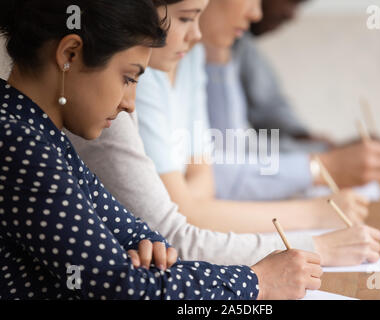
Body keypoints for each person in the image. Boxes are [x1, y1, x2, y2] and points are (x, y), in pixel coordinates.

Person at [0, 0, 323, 300]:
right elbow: (119, 287)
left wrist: (151, 250)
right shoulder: (18, 143)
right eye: (128, 78)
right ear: (70, 54)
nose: (129, 104)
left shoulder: (43, 136)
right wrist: (257, 282)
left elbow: (144, 236)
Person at [67, 0, 380, 268]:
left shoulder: (186, 60)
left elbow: (214, 175)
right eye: (188, 17)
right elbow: (178, 226)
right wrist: (316, 239)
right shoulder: (129, 88)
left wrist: (193, 202)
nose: (257, 12)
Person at [206, 0, 380, 201]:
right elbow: (225, 162)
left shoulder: (238, 44)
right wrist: (323, 166)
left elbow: (269, 109)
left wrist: (320, 149)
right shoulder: (194, 50)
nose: (256, 13)